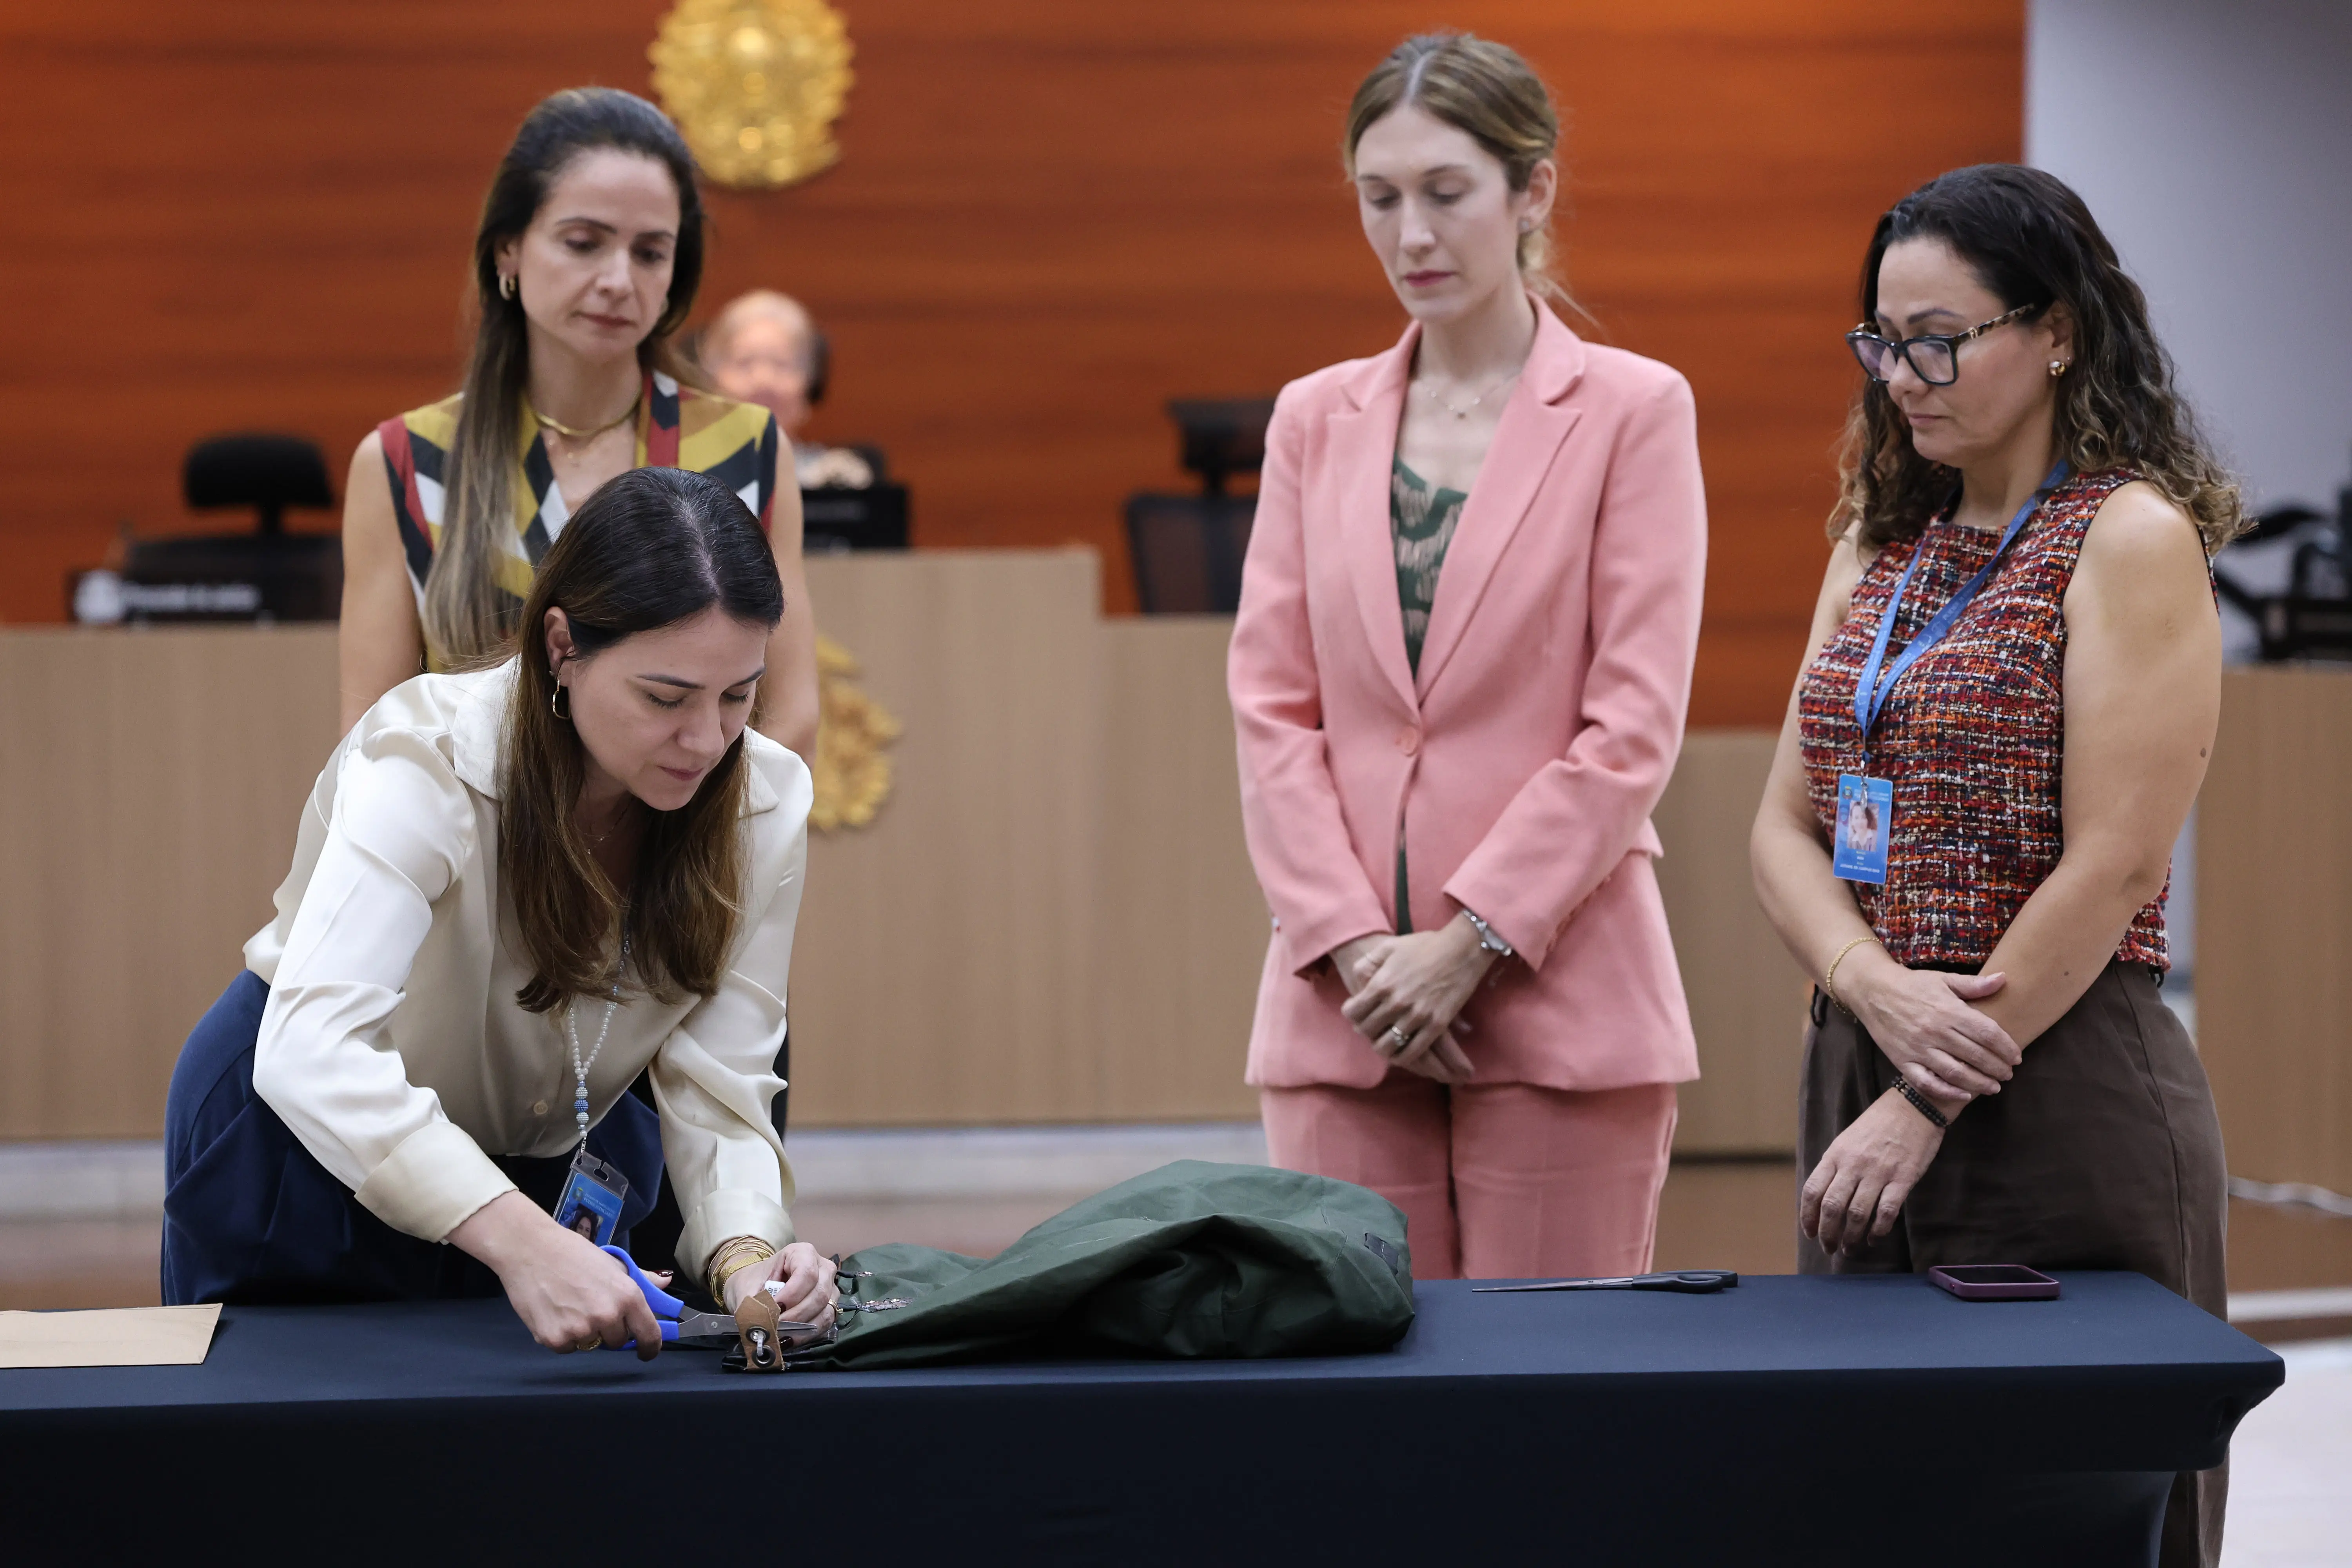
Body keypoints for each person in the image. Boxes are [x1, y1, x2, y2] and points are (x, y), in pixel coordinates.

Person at [1749, 164, 2240, 1568]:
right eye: (1880, 340)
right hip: (1861, 1057)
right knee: (1869, 1502)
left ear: (2059, 330)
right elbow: (1779, 827)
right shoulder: (1880, 540)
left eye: (1939, 338)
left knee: (2079, 1509)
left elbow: (2114, 858)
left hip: (2052, 1074)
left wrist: (1924, 1080)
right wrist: (1869, 990)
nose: (1903, 374)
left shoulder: (2126, 536)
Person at [162, 466, 839, 1356]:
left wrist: (748, 1253)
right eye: (665, 698)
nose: (707, 741)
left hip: (552, 1154)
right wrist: (521, 1239)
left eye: (738, 695)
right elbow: (313, 1048)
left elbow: (723, 1079)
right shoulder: (425, 755)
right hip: (307, 1139)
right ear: (561, 646)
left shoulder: (763, 798)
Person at [1228, 34, 1706, 1281]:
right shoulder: (1310, 418)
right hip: (1344, 1004)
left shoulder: (1631, 410)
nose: (1409, 235)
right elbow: (1272, 710)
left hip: (1557, 995)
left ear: (1529, 190)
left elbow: (1631, 728)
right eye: (1379, 198)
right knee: (1350, 1421)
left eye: (1444, 193)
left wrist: (1463, 945)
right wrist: (1350, 949)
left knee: (1550, 1415)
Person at [337, 88, 819, 760]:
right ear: (509, 249)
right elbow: (373, 741)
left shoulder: (749, 447)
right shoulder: (406, 461)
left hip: (688, 851)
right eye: (584, 243)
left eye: (651, 253)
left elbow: (791, 718)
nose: (618, 279)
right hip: (472, 855)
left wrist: (674, 856)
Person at [701, 289, 874, 489]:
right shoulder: (682, 479)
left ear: (813, 384)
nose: (763, 382)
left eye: (781, 364)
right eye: (745, 363)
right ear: (711, 381)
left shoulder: (841, 481)